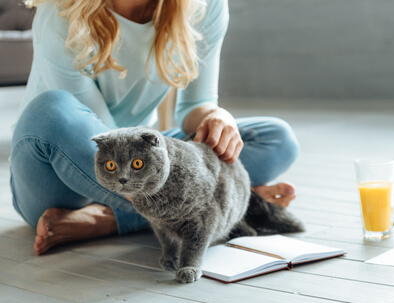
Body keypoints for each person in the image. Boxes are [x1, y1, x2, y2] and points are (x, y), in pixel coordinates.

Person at [11, 0, 299, 256]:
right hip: (62, 171)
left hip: (141, 166)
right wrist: (210, 191)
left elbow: (195, 105)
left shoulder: (204, 5)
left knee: (274, 138)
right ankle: (212, 207)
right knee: (51, 109)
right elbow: (105, 144)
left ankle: (106, 221)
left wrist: (216, 116)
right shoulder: (58, 11)